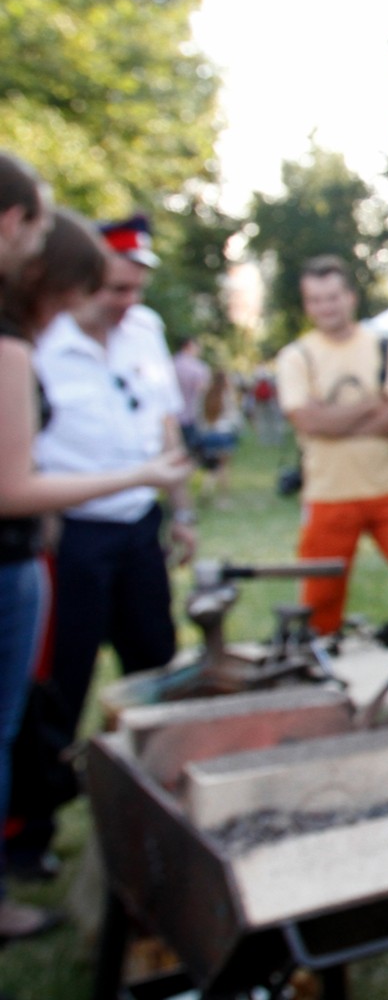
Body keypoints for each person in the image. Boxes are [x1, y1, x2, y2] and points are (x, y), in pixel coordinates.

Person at [0, 189, 190, 932]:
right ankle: (27, 835)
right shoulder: (36, 335)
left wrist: (180, 511)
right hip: (67, 533)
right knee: (58, 687)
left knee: (159, 665)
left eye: (136, 289)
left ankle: (174, 799)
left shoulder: (145, 331)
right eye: (113, 289)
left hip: (137, 527)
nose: (125, 302)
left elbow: (165, 423)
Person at [275, 257, 388, 633]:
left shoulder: (383, 347)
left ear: (350, 297)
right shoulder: (297, 356)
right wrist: (373, 404)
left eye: (332, 297)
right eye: (315, 300)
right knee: (319, 602)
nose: (325, 307)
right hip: (328, 495)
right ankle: (320, 658)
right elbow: (306, 420)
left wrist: (332, 420)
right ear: (307, 304)